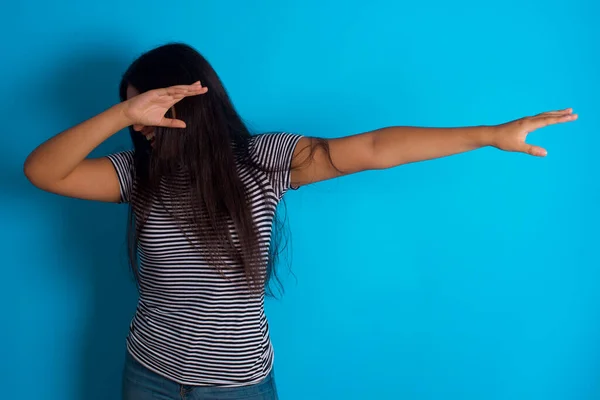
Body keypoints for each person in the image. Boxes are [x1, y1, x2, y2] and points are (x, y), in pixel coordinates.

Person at [23, 43, 577, 400]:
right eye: (133, 113)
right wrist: (123, 112)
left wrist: (487, 135)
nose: (142, 126)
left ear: (190, 102)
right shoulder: (134, 174)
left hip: (239, 384)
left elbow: (378, 148)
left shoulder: (261, 161)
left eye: (149, 107)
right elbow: (43, 171)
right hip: (149, 372)